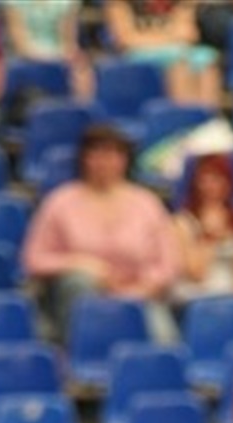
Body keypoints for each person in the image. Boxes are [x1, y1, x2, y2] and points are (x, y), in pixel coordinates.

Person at [21, 121, 182, 343]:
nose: (104, 162)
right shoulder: (60, 202)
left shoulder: (147, 203)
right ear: (84, 158)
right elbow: (34, 259)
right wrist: (79, 262)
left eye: (113, 154)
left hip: (139, 295)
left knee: (163, 339)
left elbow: (168, 265)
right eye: (96, 154)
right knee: (78, 281)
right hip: (85, 297)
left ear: (125, 160)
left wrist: (141, 288)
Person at [171, 151, 233, 309]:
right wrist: (211, 237)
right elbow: (196, 274)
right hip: (197, 296)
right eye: (204, 180)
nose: (209, 186)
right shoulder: (182, 223)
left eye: (216, 179)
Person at [101, 0, 222, 108]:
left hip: (172, 48)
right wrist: (169, 37)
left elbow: (188, 34)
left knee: (206, 58)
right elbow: (125, 39)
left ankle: (208, 117)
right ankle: (184, 119)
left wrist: (147, 37)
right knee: (179, 62)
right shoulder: (119, 3)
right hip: (135, 53)